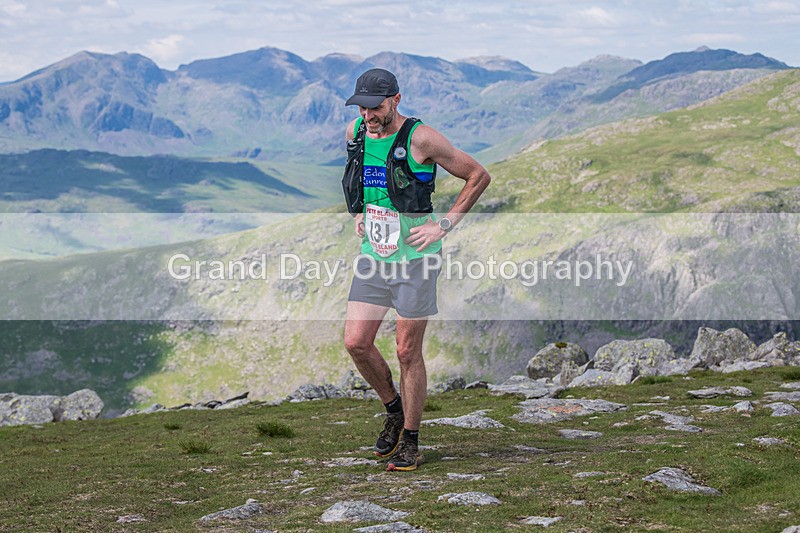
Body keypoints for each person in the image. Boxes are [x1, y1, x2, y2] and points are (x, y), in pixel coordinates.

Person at [342, 68, 491, 471]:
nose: (369, 116)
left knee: (407, 351)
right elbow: (366, 180)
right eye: (363, 108)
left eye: (376, 107)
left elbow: (478, 175)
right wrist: (360, 213)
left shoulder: (421, 138)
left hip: (415, 261)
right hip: (373, 254)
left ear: (396, 99)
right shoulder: (355, 132)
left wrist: (444, 224)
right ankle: (392, 408)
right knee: (356, 342)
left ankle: (410, 440)